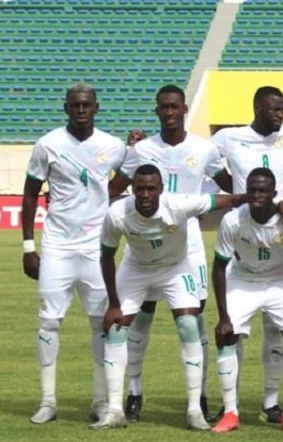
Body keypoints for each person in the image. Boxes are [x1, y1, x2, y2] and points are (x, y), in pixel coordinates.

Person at [108, 84, 232, 422]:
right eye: (163, 107)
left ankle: (199, 397)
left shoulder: (204, 149)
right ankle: (134, 392)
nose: (169, 113)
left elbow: (230, 186)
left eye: (174, 107)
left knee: (193, 321)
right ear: (157, 111)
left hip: (187, 248)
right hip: (145, 246)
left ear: (184, 109)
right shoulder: (142, 149)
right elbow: (114, 188)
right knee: (140, 319)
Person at [96, 164, 249, 430]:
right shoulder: (118, 213)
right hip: (136, 269)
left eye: (151, 189)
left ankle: (194, 410)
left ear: (161, 189)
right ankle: (115, 410)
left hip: (175, 269)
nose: (145, 194)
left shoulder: (179, 204)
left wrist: (271, 202)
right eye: (140, 189)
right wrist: (113, 303)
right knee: (116, 329)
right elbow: (107, 255)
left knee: (189, 325)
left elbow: (231, 199)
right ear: (132, 189)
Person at [21, 83, 127, 425]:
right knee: (49, 322)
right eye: (75, 105)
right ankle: (47, 401)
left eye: (86, 105)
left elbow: (126, 177)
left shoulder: (114, 146)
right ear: (66, 108)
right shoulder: (48, 144)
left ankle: (100, 401)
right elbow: (29, 194)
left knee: (101, 324)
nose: (81, 110)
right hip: (57, 247)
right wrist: (28, 247)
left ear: (96, 107)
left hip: (97, 248)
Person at [211, 85, 283, 424]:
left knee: (277, 333)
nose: (280, 114)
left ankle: (271, 403)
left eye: (282, 108)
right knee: (231, 333)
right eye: (274, 109)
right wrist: (242, 196)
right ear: (257, 108)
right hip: (245, 239)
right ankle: (230, 405)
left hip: (279, 236)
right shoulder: (229, 137)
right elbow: (202, 159)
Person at [210, 168, 283, 434]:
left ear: (274, 193)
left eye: (263, 191)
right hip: (243, 278)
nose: (256, 195)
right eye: (252, 190)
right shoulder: (232, 220)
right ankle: (230, 412)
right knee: (226, 335)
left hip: (280, 278)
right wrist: (223, 317)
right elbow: (219, 268)